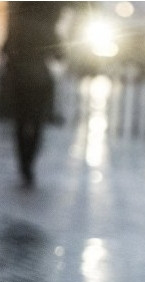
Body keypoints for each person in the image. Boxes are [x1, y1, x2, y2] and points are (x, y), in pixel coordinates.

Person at [2, 2, 66, 188]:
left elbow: (6, 50)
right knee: (37, 121)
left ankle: (23, 163)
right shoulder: (47, 27)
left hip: (19, 79)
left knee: (21, 122)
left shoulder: (18, 23)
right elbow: (59, 54)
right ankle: (29, 163)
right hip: (40, 80)